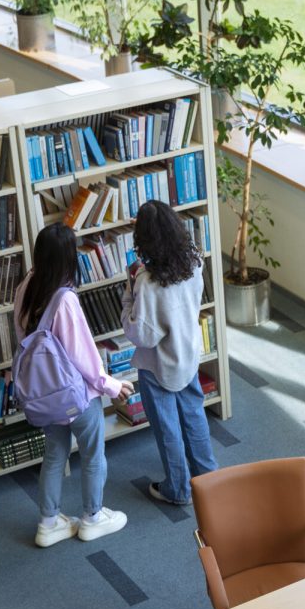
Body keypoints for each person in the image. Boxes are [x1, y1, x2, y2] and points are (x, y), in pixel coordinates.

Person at [14, 223, 132, 547]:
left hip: (42, 396)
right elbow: (84, 357)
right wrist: (112, 385)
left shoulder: (26, 285)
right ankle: (92, 518)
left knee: (55, 454)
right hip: (75, 397)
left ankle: (48, 523)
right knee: (93, 453)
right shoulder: (64, 299)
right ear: (68, 258)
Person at [121, 200, 218, 505]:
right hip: (188, 353)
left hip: (158, 365)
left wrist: (128, 296)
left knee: (167, 428)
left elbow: (142, 335)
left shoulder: (147, 283)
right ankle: (210, 480)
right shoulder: (194, 262)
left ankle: (178, 489)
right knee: (193, 414)